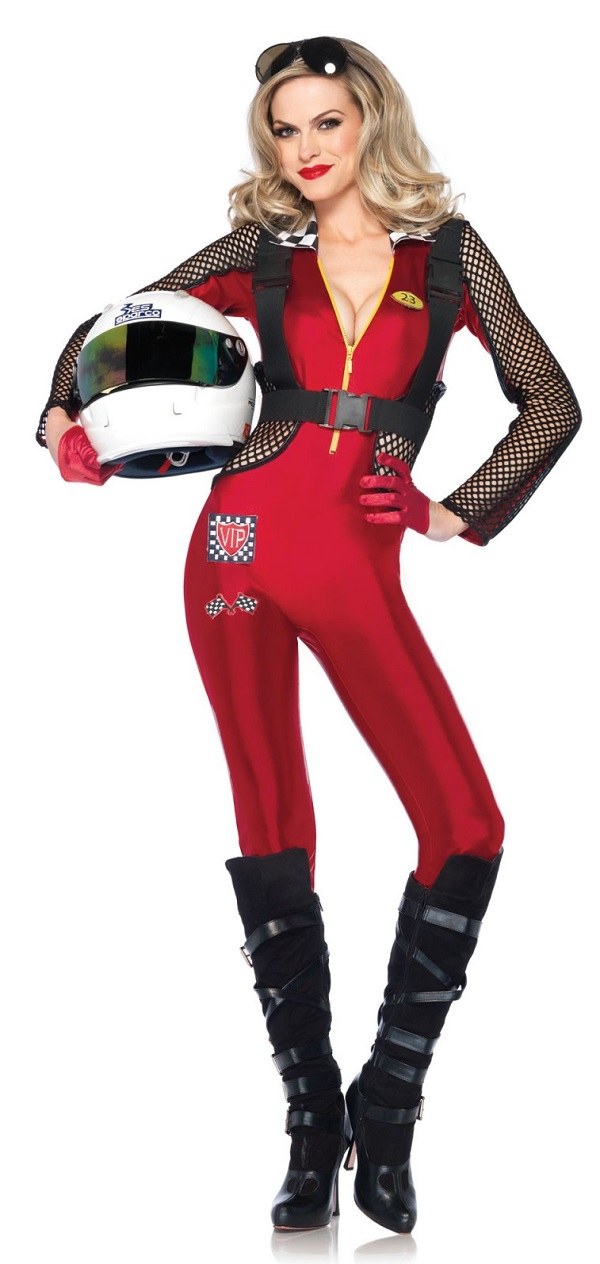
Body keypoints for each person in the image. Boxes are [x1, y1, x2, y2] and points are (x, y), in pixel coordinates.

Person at [38, 36, 581, 1236]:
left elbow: (552, 400)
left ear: (371, 120)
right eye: (285, 130)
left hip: (352, 557)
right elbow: (111, 324)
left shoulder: (448, 258)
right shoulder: (259, 253)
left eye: (326, 122)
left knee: (466, 824)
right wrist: (59, 413)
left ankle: (386, 1102)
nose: (305, 149)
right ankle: (305, 1121)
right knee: (271, 817)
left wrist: (453, 511)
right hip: (233, 548)